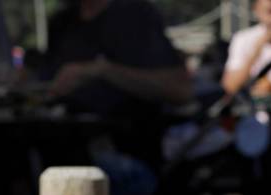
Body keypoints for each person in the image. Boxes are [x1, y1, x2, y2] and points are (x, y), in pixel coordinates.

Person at [42, 0, 193, 115]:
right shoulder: (61, 23)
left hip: (128, 143)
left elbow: (180, 91)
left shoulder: (135, 15)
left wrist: (102, 70)